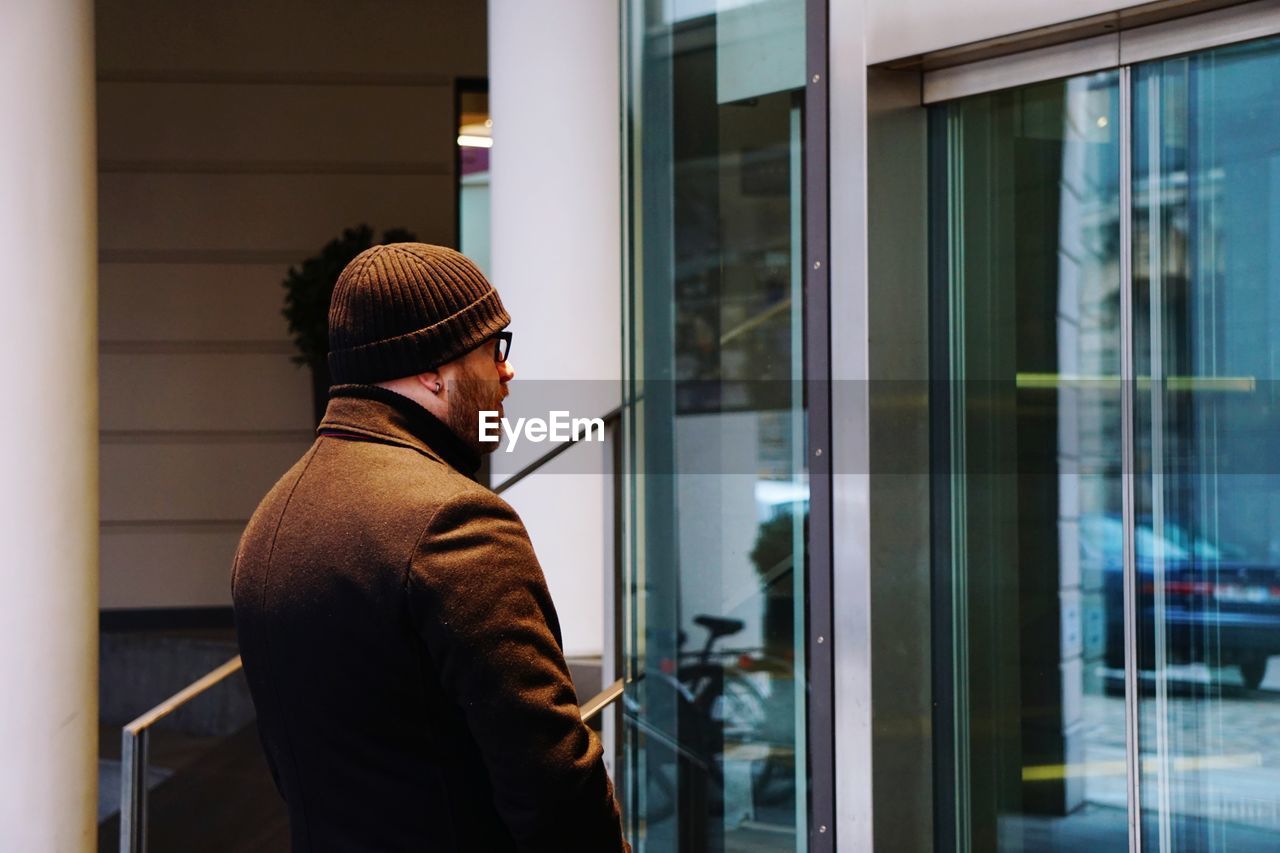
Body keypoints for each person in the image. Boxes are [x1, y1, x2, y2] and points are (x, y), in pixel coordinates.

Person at [232, 243, 629, 852]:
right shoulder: (454, 521)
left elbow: (297, 774)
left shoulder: (270, 523)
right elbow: (552, 783)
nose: (507, 371)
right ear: (431, 371)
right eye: (492, 348)